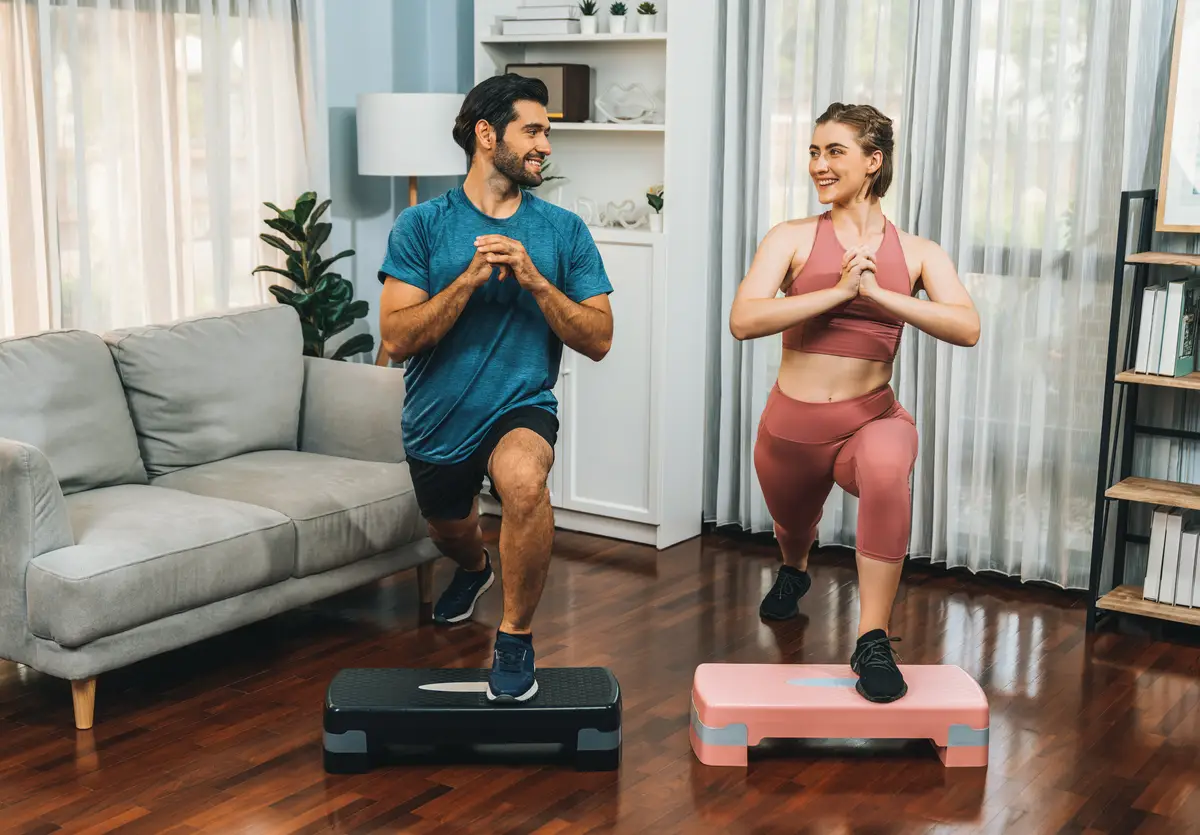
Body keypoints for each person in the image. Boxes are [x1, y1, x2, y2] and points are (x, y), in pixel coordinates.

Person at [728, 103, 980, 703]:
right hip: (792, 428)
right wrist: (838, 291)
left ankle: (871, 639)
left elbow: (967, 326)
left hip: (872, 416)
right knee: (794, 526)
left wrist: (882, 297)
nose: (818, 164)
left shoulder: (918, 251)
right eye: (813, 151)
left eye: (834, 151)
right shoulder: (790, 238)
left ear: (873, 161)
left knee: (890, 468)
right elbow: (744, 319)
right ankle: (794, 568)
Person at [376, 74, 614, 703]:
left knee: (524, 483)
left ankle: (515, 637)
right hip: (437, 420)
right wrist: (468, 281)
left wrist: (537, 282)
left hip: (521, 406)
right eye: (533, 131)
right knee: (449, 529)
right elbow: (396, 339)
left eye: (547, 133)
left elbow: (599, 338)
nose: (546, 146)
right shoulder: (421, 226)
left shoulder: (563, 232)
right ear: (487, 135)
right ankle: (475, 567)